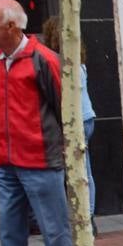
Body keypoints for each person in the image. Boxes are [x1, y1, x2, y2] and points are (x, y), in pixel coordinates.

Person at [0, 0, 76, 246]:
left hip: (40, 161)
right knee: (10, 228)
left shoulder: (43, 59)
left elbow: (66, 108)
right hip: (6, 161)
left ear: (11, 26)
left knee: (54, 228)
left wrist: (65, 152)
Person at [41, 16, 96, 217]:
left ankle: (85, 217)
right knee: (84, 170)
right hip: (87, 118)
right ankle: (87, 217)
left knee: (78, 172)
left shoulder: (60, 64)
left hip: (76, 121)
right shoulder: (78, 61)